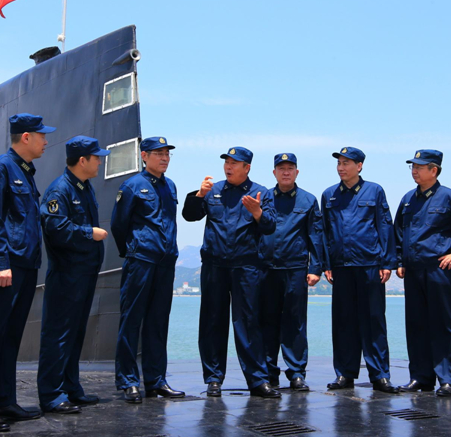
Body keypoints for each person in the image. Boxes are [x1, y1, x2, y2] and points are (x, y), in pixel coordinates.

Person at [0, 114, 55, 432]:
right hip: (7, 267)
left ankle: (4, 400)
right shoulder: (1, 168)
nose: (47, 141)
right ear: (26, 137)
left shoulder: (26, 173)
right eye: (42, 136)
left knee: (11, 336)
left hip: (26, 266)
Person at [181, 147, 280, 398]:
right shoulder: (213, 191)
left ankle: (257, 380)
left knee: (248, 322)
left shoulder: (261, 192)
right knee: (212, 321)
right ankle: (214, 378)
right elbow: (189, 216)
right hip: (214, 265)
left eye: (235, 163)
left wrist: (257, 212)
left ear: (247, 168)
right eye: (227, 162)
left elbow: (270, 227)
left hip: (246, 266)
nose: (228, 166)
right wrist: (197, 194)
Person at [394, 150, 451, 397]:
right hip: (413, 271)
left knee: (444, 324)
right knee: (416, 324)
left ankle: (449, 379)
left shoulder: (449, 197)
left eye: (420, 167)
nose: (414, 170)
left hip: (439, 269)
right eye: (412, 166)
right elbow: (398, 232)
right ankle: (421, 377)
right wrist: (399, 261)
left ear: (434, 170)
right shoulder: (409, 199)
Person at [37, 136, 110, 414]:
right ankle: (51, 394)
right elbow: (56, 231)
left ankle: (70, 387)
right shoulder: (60, 191)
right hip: (67, 275)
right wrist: (88, 233)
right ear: (83, 160)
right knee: (58, 334)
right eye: (96, 157)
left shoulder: (85, 188)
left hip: (84, 273)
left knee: (76, 333)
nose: (100, 162)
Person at [111, 137, 185, 404]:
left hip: (165, 263)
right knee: (131, 320)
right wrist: (132, 249)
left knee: (158, 322)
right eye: (158, 154)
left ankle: (155, 381)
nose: (164, 158)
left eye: (167, 154)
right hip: (141, 260)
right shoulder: (132, 186)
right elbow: (119, 224)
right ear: (144, 156)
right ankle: (129, 381)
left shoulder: (170, 186)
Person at [321, 147, 399, 394]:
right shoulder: (329, 195)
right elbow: (324, 232)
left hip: (369, 265)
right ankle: (345, 374)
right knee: (343, 322)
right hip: (341, 267)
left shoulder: (374, 191)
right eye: (339, 163)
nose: (341, 167)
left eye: (347, 163)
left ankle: (380, 376)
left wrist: (388, 262)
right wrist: (326, 264)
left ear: (360, 166)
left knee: (373, 321)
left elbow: (385, 226)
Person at [260, 153, 325, 392]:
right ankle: (268, 372)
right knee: (266, 321)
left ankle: (296, 372)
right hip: (266, 268)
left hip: (296, 269)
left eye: (290, 168)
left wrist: (315, 267)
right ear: (274, 172)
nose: (286, 172)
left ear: (297, 172)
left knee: (295, 322)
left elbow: (315, 235)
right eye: (281, 168)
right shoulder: (263, 197)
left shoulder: (308, 200)